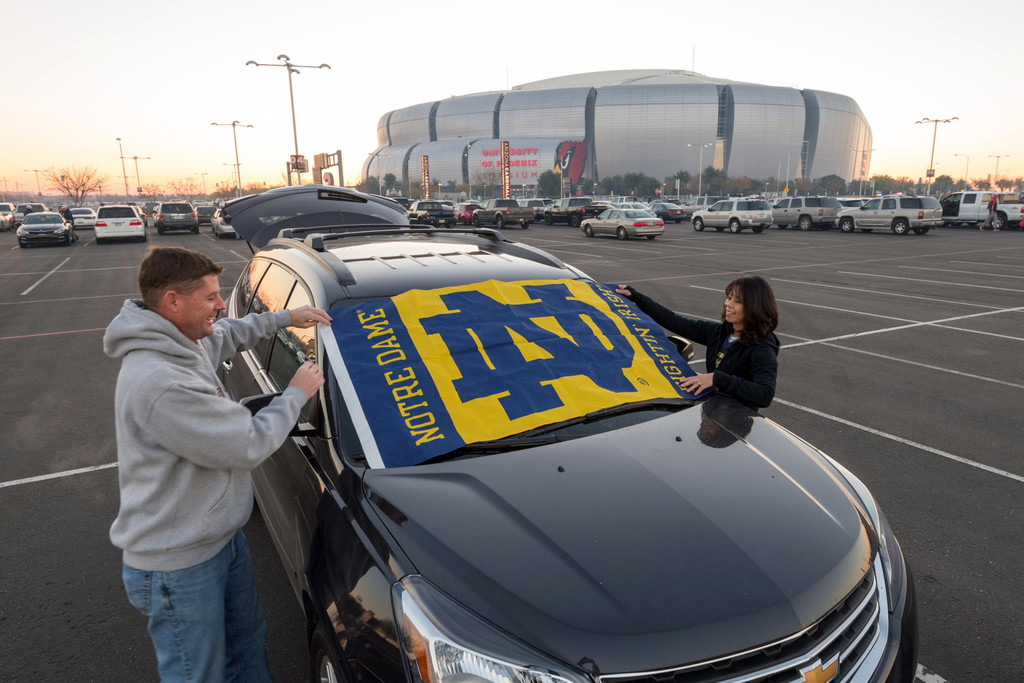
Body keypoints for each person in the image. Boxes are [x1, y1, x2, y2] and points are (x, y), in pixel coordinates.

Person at [103, 246, 332, 681]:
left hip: (218, 540)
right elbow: (246, 444)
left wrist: (286, 318)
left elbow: (225, 333)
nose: (221, 303)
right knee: (200, 673)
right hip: (180, 564)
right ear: (172, 301)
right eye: (210, 296)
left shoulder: (181, 340)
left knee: (246, 647)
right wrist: (296, 394)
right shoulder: (161, 381)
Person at [616, 275, 780, 409]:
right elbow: (674, 321)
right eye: (729, 298)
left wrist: (718, 379)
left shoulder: (763, 347)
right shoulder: (719, 332)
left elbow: (765, 394)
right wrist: (637, 297)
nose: (728, 304)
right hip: (714, 413)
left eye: (737, 301)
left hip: (737, 422)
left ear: (754, 306)